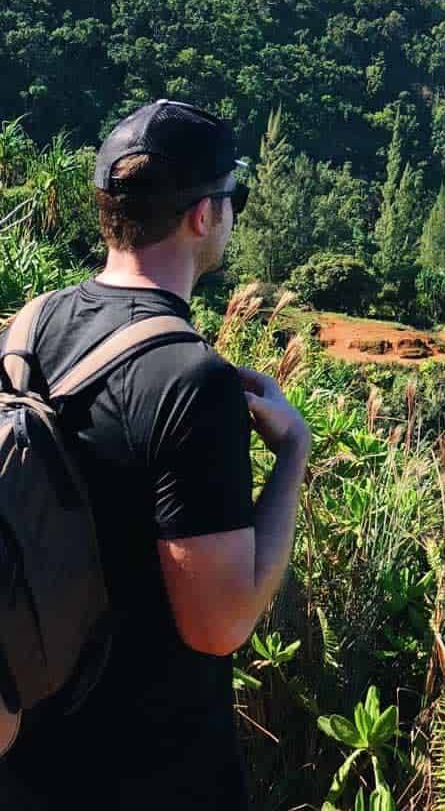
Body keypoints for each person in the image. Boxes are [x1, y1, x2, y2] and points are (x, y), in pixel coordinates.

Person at [0, 99, 311, 811]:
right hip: (147, 774)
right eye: (236, 198)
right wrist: (293, 451)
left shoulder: (26, 326)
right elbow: (221, 623)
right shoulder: (192, 382)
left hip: (23, 760)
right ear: (204, 216)